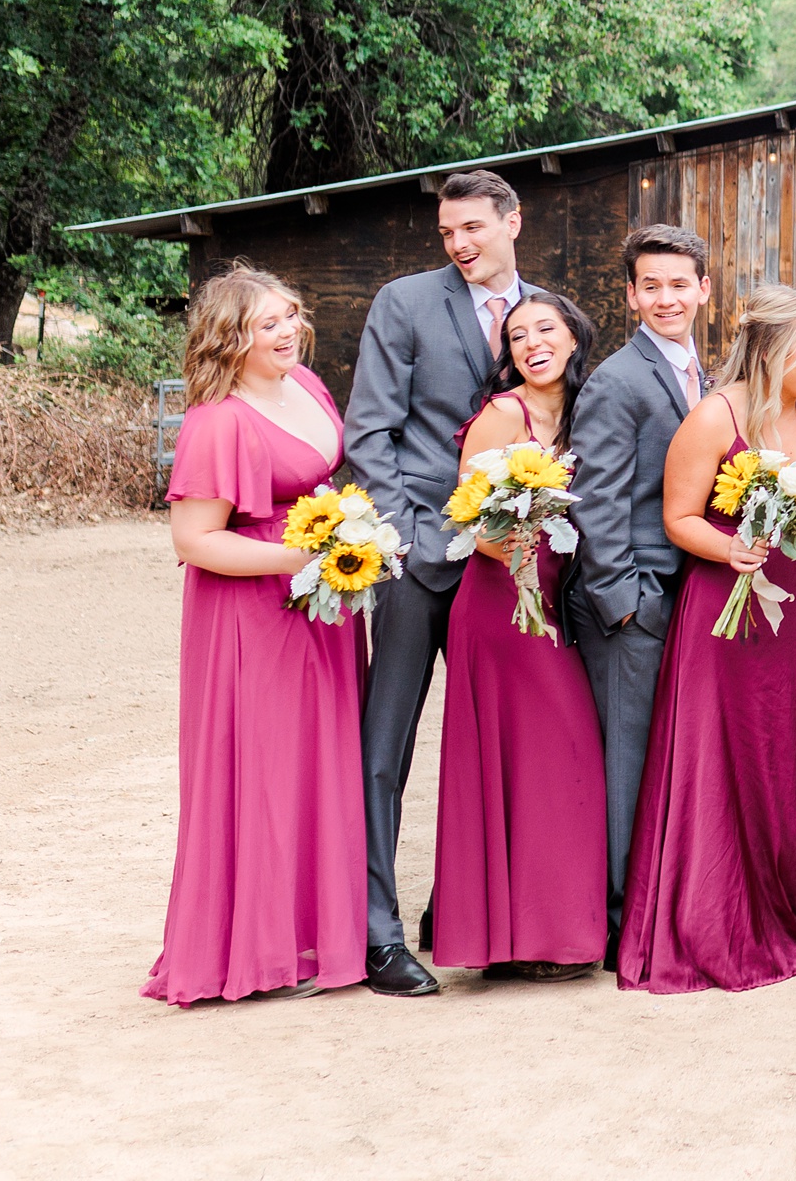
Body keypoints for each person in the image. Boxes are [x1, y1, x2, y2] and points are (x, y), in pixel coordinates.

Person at [343, 169, 542, 997]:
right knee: (384, 750)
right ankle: (374, 933)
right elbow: (370, 432)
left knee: (498, 746)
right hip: (418, 561)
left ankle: (476, 922)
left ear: (512, 222)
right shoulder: (405, 303)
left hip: (509, 574)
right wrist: (419, 541)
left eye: (473, 229)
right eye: (447, 233)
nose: (459, 244)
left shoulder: (544, 316)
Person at [144, 267, 366, 1005]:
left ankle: (312, 939)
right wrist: (302, 559)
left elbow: (324, 482)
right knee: (263, 772)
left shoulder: (309, 388)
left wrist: (343, 546)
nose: (287, 332)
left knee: (317, 767)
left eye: (291, 317)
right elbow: (196, 540)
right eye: (267, 323)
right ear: (229, 337)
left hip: (322, 606)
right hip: (250, 615)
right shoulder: (218, 421)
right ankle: (256, 950)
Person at [618, 286, 796, 993]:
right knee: (730, 757)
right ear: (775, 348)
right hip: (728, 613)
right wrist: (730, 550)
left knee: (791, 751)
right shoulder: (716, 417)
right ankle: (718, 916)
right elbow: (678, 516)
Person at [431, 291, 609, 981]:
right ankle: (520, 941)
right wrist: (517, 538)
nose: (532, 342)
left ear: (573, 337)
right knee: (538, 759)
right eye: (517, 336)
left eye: (546, 329)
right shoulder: (502, 416)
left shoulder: (587, 411)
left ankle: (547, 933)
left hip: (558, 604)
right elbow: (468, 518)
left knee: (555, 765)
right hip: (501, 604)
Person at [564, 226, 714, 953]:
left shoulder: (704, 379)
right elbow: (594, 501)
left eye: (679, 284)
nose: (666, 298)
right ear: (629, 296)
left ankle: (657, 899)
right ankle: (623, 921)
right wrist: (624, 601)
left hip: (686, 598)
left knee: (663, 756)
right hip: (632, 606)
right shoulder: (617, 381)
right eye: (650, 286)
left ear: (704, 291)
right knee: (625, 761)